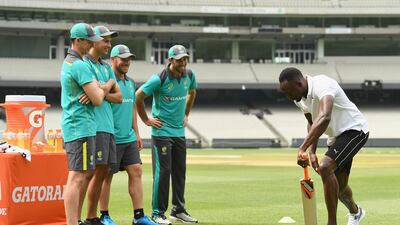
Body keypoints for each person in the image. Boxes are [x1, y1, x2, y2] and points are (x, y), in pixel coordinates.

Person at [278, 67, 369, 225]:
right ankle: (356, 212)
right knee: (338, 189)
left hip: (355, 130)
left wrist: (302, 148)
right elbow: (312, 122)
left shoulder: (323, 84)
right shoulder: (299, 99)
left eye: (288, 91)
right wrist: (312, 152)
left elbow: (325, 116)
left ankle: (331, 223)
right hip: (336, 137)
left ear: (299, 83)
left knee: (326, 167)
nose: (288, 96)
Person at [135, 45, 198, 225]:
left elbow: (192, 92)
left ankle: (178, 210)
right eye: (179, 60)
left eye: (185, 59)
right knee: (163, 172)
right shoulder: (159, 79)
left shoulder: (190, 76)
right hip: (161, 131)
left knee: (180, 172)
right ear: (170, 60)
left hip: (179, 131)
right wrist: (146, 120)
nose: (183, 63)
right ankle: (157, 213)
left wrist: (186, 114)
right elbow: (138, 96)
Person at [97, 44, 157, 225]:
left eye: (129, 59)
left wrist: (137, 133)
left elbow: (131, 108)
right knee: (106, 176)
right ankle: (104, 215)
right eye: (123, 59)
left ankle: (139, 217)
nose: (127, 62)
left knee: (136, 171)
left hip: (128, 137)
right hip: (110, 137)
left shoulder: (130, 83)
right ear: (113, 59)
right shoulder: (106, 81)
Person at [60, 22, 105, 225]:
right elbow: (97, 99)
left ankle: (74, 221)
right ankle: (72, 222)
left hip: (76, 125)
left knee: (80, 174)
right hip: (81, 126)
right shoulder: (79, 65)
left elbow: (95, 92)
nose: (92, 45)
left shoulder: (69, 62)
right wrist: (100, 88)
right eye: (89, 41)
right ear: (78, 41)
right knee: (77, 177)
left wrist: (96, 87)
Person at [82, 25, 122, 225]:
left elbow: (119, 96)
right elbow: (93, 94)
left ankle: (91, 217)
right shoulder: (84, 64)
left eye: (110, 41)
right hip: (93, 126)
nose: (109, 44)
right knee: (90, 173)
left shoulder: (106, 67)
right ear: (94, 41)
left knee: (103, 172)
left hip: (108, 126)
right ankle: (85, 217)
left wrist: (103, 87)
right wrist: (107, 88)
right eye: (105, 40)